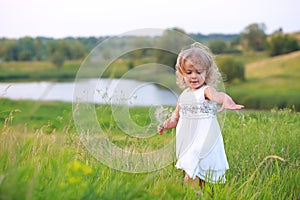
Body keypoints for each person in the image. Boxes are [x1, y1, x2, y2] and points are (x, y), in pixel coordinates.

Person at [157, 42, 244, 193]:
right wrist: (165, 125)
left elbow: (218, 96)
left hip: (203, 141)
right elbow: (175, 118)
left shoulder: (206, 91)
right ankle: (200, 195)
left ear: (207, 73)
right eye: (189, 72)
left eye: (199, 72)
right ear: (182, 74)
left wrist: (226, 100)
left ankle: (194, 195)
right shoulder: (183, 96)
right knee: (197, 176)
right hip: (188, 141)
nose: (194, 76)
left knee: (190, 176)